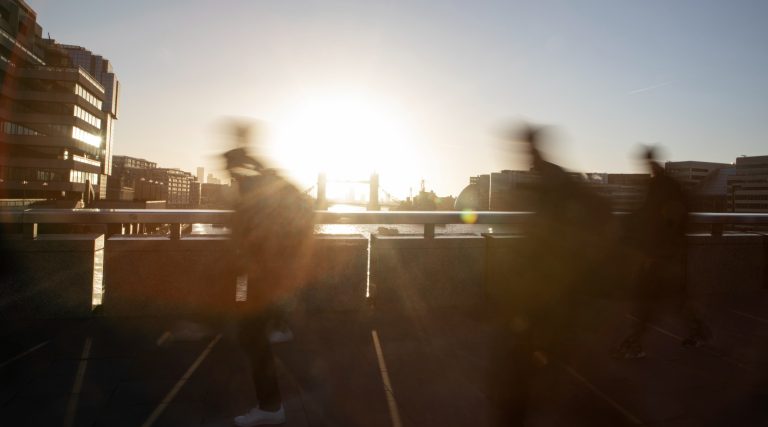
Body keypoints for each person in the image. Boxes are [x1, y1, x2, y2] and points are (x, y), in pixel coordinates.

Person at [225, 121, 315, 426]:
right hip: (250, 271)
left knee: (251, 335)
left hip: (255, 272)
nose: (229, 173)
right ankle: (277, 324)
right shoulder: (261, 179)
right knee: (247, 323)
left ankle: (271, 406)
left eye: (231, 168)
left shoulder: (257, 185)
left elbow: (254, 228)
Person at [614, 146, 711, 359]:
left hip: (662, 252)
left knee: (648, 297)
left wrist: (629, 226)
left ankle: (634, 343)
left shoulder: (660, 185)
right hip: (672, 251)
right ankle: (698, 332)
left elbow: (653, 217)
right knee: (675, 296)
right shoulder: (669, 184)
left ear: (649, 162)